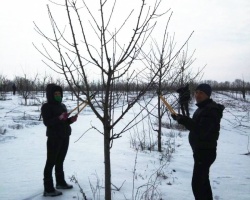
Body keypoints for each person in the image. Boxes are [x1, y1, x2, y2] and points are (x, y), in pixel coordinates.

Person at [171, 83, 225, 200]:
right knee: (203, 181)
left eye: (201, 93)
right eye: (196, 92)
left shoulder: (211, 110)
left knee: (198, 185)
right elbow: (197, 124)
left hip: (205, 152)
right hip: (201, 151)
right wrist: (181, 118)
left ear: (208, 95)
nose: (197, 95)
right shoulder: (203, 108)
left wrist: (184, 121)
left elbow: (201, 130)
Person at [41, 84, 78, 197]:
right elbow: (47, 122)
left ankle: (60, 182)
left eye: (59, 94)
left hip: (65, 136)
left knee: (60, 160)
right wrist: (59, 118)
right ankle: (48, 189)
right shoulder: (46, 107)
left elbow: (64, 122)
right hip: (54, 138)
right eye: (55, 94)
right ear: (50, 95)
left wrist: (70, 120)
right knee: (50, 162)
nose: (58, 96)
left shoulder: (62, 105)